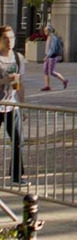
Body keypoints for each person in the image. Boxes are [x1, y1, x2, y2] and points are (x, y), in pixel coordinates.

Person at [0, 26, 26, 184]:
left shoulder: (18, 57)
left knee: (18, 141)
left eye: (12, 38)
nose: (9, 41)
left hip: (12, 105)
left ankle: (17, 176)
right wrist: (4, 81)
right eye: (5, 38)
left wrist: (23, 105)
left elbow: (21, 83)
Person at [41, 23, 68, 91]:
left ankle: (64, 80)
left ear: (49, 31)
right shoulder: (48, 37)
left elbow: (52, 49)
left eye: (45, 31)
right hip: (48, 56)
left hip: (52, 56)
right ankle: (47, 85)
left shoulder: (53, 38)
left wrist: (47, 56)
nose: (44, 32)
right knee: (45, 71)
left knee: (51, 71)